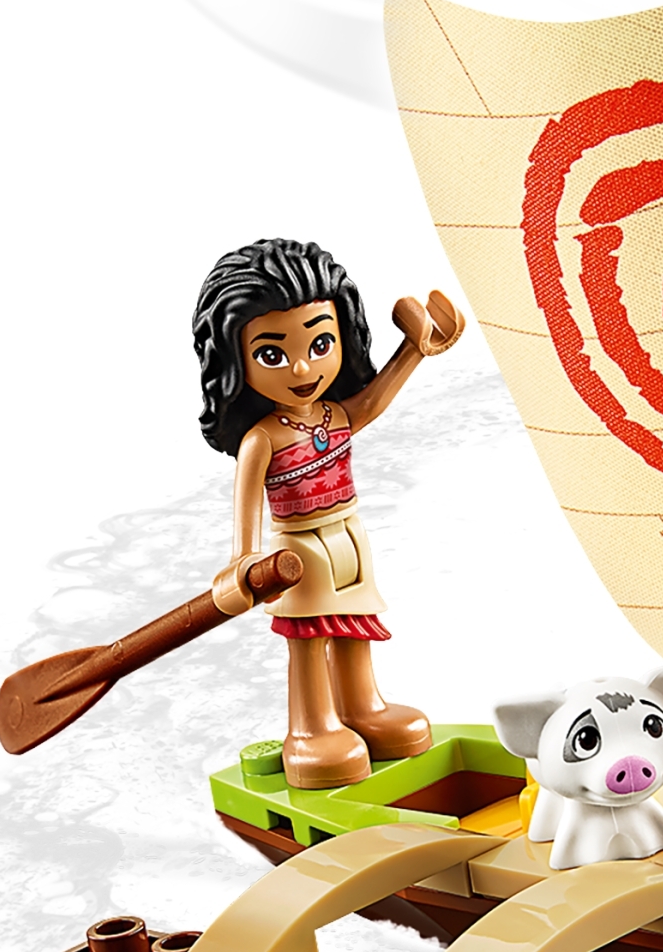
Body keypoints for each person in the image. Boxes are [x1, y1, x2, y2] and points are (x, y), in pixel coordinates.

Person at [193, 237, 465, 787]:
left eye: (320, 343)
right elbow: (247, 501)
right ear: (235, 360)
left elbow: (374, 400)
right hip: (298, 550)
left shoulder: (334, 415)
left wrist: (414, 350)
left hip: (350, 537)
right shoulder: (261, 439)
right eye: (272, 354)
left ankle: (363, 708)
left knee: (354, 628)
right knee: (309, 638)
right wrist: (243, 559)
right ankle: (311, 727)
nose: (302, 367)